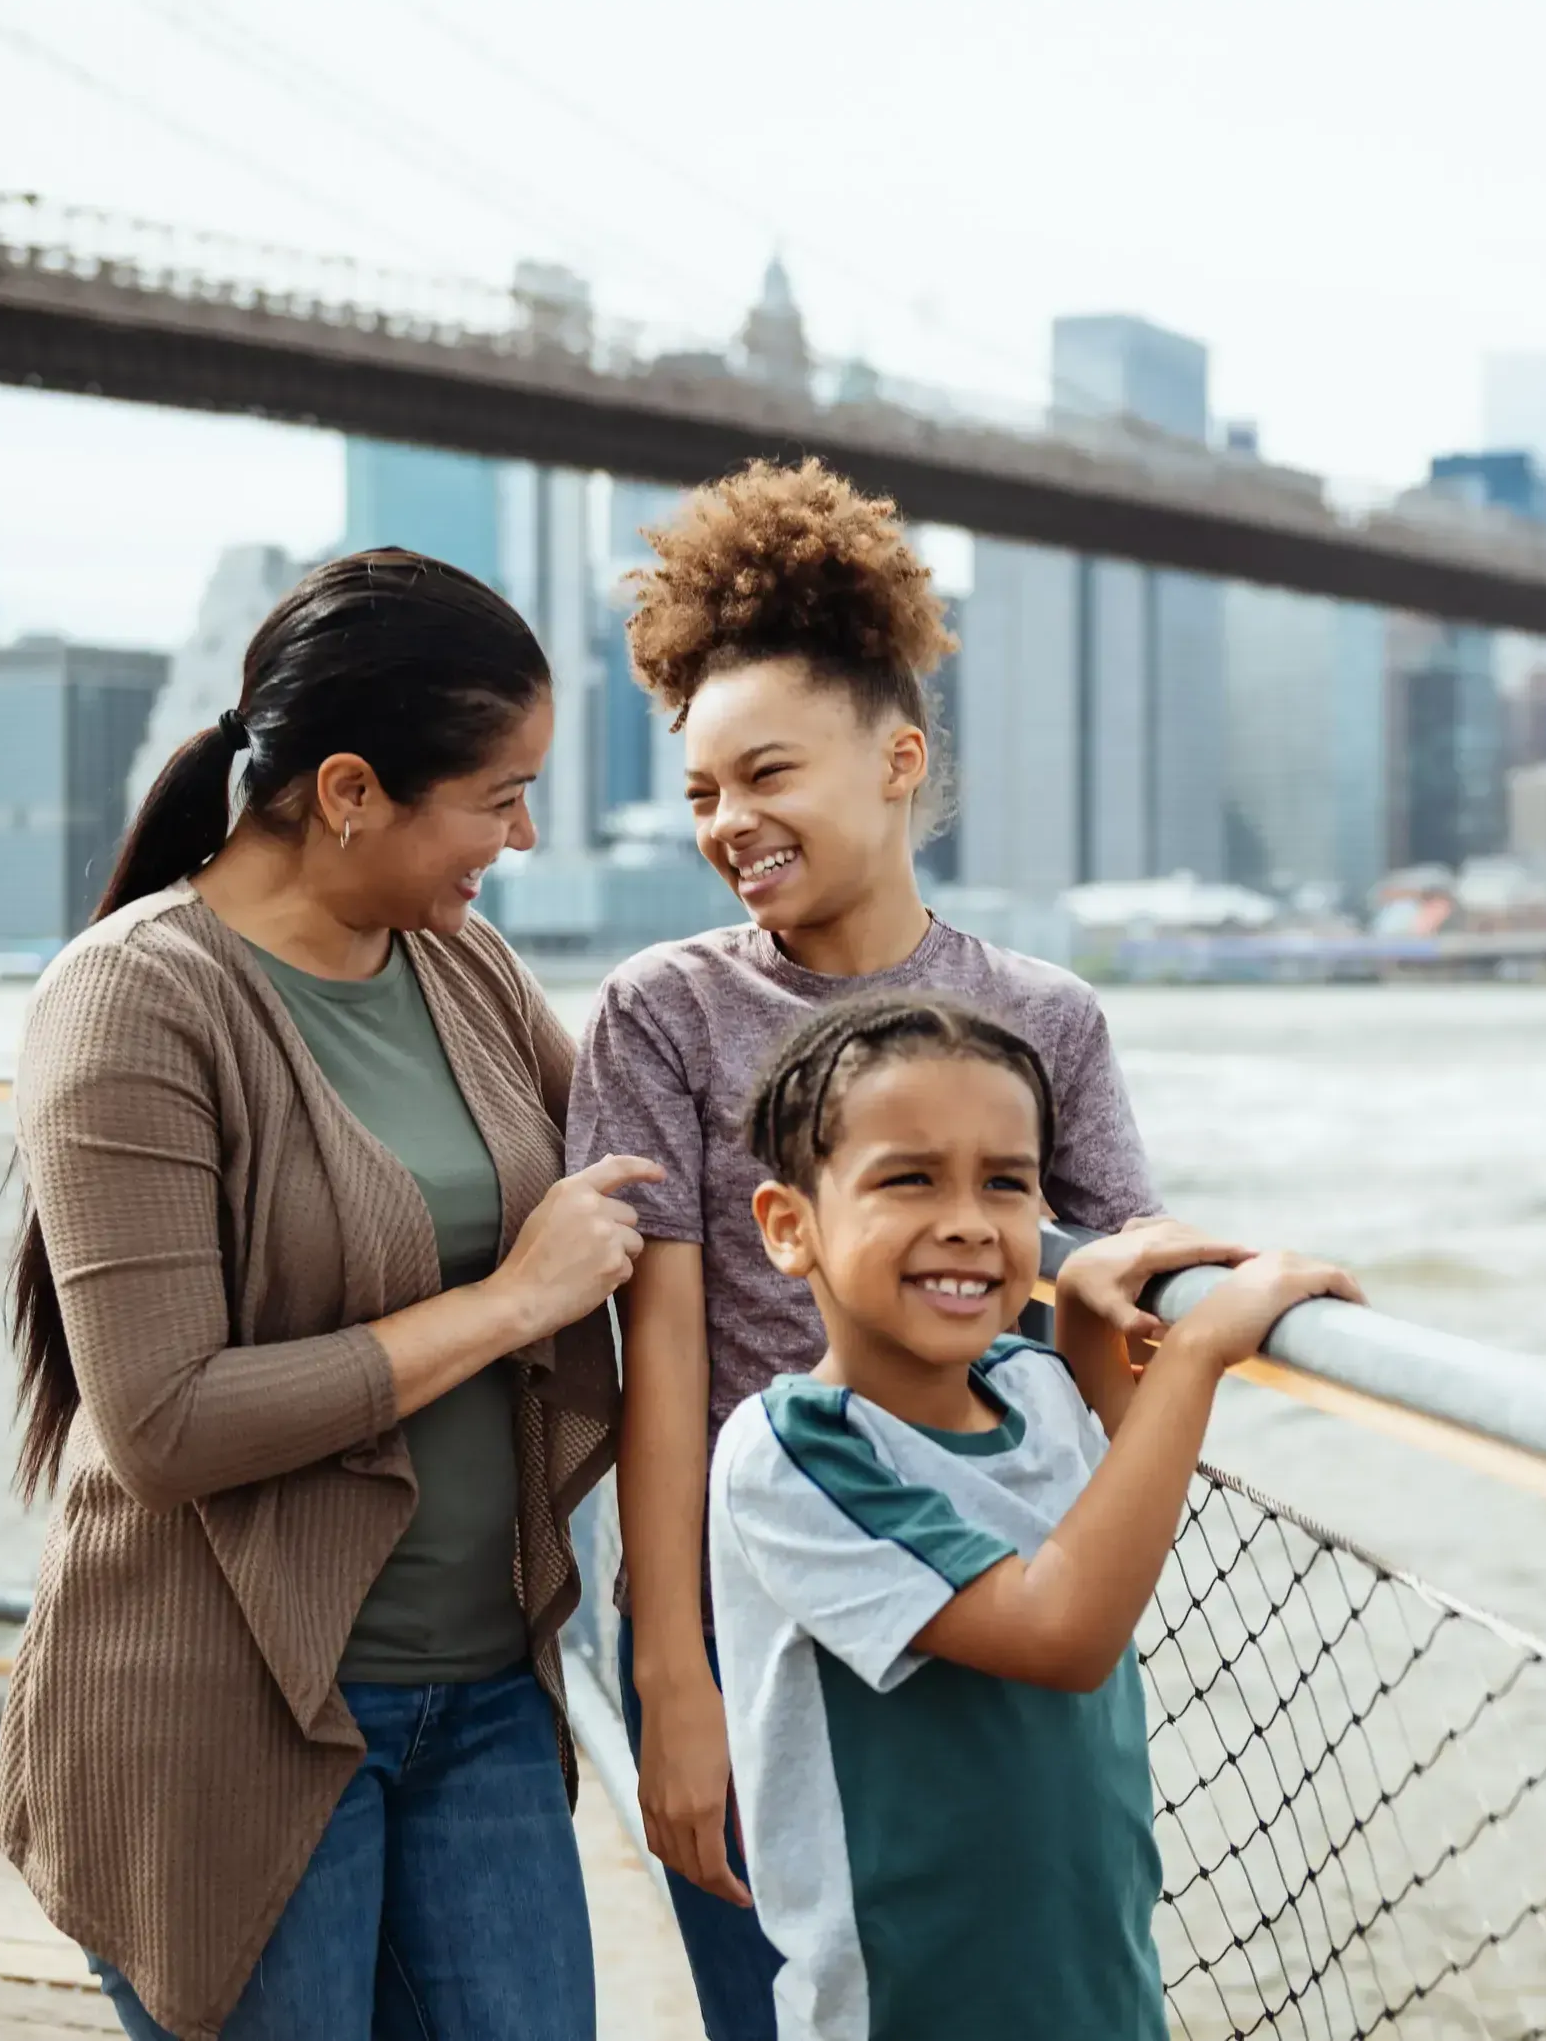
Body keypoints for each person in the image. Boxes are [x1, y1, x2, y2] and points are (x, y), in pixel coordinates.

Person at [0, 550, 657, 2041]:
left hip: (483, 1693)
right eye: (497, 794)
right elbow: (163, 1422)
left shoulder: (463, 964)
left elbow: (657, 1161)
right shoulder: (132, 999)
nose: (526, 831)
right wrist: (503, 1305)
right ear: (350, 790)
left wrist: (1057, 1225)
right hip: (229, 1714)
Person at [563, 458, 1181, 2035]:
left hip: (991, 1590)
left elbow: (1096, 1300)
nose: (729, 824)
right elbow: (670, 1354)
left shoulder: (1049, 1016)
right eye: (701, 791)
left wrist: (1148, 1278)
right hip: (766, 1608)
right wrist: (672, 1678)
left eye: (767, 774)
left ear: (899, 758)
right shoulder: (663, 1008)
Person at [713, 991, 1358, 2039]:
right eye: (909, 1178)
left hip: (1098, 1985)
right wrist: (1196, 1351)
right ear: (792, 1227)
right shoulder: (798, 1451)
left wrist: (1098, 1332)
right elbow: (1062, 1631)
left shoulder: (1033, 1387)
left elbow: (1102, 1512)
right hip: (909, 2009)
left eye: (1005, 1183)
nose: (967, 1219)